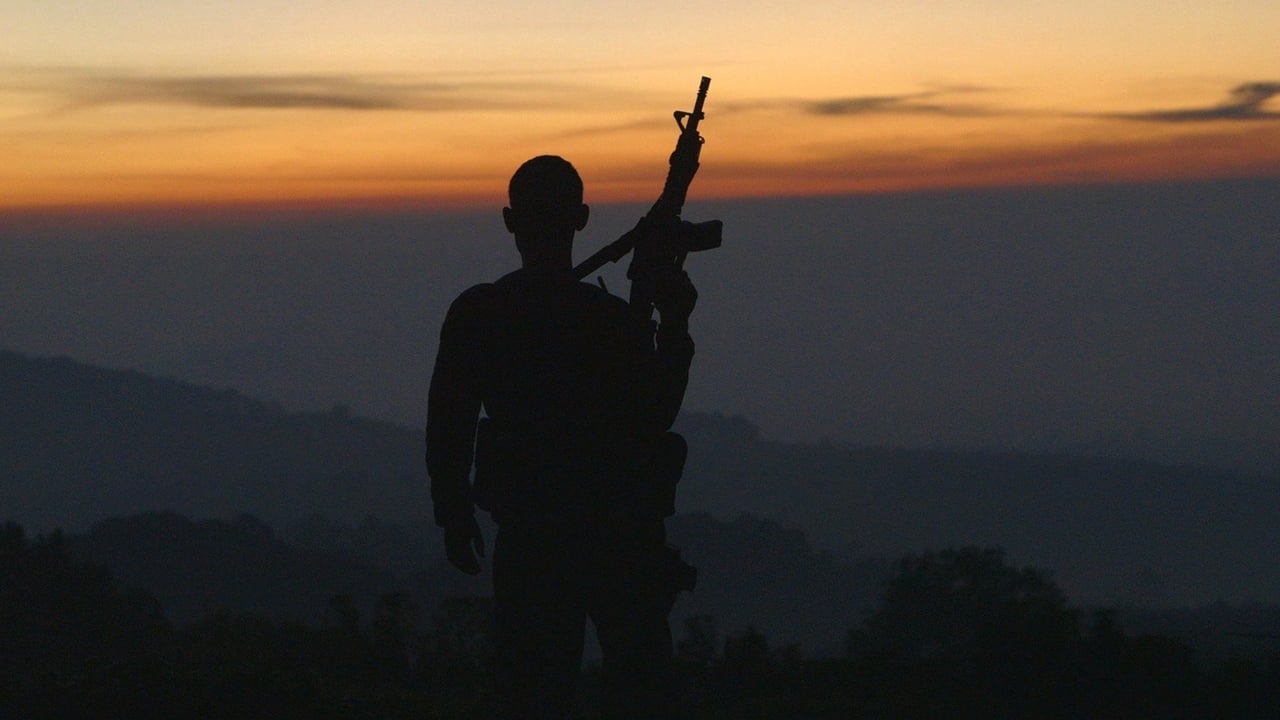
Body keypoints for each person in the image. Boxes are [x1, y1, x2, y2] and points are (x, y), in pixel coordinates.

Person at [425, 155, 697, 719]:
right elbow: (657, 412)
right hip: (613, 539)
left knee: (532, 694)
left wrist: (453, 511)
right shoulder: (607, 322)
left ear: (509, 220)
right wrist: (674, 324)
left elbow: (449, 421)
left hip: (536, 541)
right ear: (582, 218)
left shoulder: (483, 315)